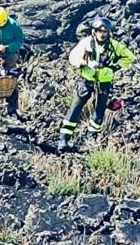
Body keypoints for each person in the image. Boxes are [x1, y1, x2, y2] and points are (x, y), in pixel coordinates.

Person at [58, 17, 135, 151]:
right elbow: (73, 57)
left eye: (105, 31)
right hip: (86, 79)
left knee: (99, 111)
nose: (102, 34)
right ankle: (64, 139)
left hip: (104, 81)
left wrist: (115, 66)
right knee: (75, 107)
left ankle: (91, 137)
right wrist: (85, 63)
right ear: (94, 31)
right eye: (99, 31)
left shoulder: (115, 46)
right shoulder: (86, 43)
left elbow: (130, 57)